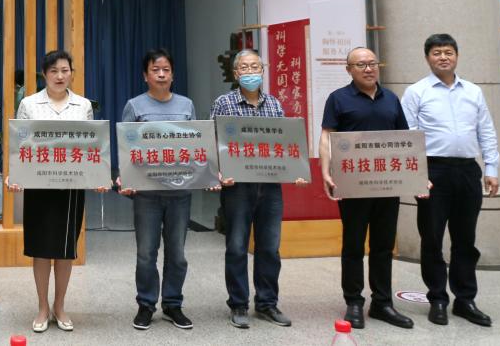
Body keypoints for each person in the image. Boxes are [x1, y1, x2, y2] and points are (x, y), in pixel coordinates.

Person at [402, 33, 499, 328]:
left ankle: (465, 299)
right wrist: (418, 175)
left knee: (465, 239)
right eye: (436, 53)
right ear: (427, 58)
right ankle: (438, 299)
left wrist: (491, 167)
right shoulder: (416, 92)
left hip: (468, 171)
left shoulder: (473, 91)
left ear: (456, 56)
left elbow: (486, 130)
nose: (443, 57)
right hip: (433, 172)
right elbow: (408, 135)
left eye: (448, 52)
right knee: (432, 238)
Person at [6, 50, 108, 333]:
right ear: (44, 75)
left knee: (64, 250)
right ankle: (42, 307)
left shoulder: (83, 106)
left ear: (72, 73)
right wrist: (15, 175)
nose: (60, 76)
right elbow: (20, 147)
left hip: (70, 187)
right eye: (53, 71)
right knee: (40, 249)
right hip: (38, 186)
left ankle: (60, 305)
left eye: (65, 70)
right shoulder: (28, 104)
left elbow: (90, 148)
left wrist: (98, 176)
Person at [210, 49, 307, 329]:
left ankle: (267, 303)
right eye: (244, 67)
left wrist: (296, 170)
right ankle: (238, 304)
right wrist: (217, 173)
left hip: (270, 187)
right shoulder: (223, 103)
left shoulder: (274, 104)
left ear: (263, 71)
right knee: (236, 246)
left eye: (255, 66)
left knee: (269, 247)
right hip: (237, 187)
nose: (250, 72)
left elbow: (285, 144)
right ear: (236, 73)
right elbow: (211, 141)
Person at [319, 46, 414, 330]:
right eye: (360, 64)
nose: (368, 68)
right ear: (349, 70)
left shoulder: (391, 99)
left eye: (372, 63)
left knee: (383, 245)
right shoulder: (338, 98)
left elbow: (405, 140)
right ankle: (354, 302)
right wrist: (325, 171)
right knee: (353, 244)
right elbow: (327, 136)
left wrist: (417, 176)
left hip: (387, 184)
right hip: (353, 184)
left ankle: (382, 303)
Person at [117, 48, 195, 331]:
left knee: (177, 253)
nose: (161, 74)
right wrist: (124, 178)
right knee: (146, 253)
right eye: (155, 70)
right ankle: (146, 304)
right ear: (145, 75)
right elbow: (126, 148)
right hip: (147, 195)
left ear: (173, 75)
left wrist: (208, 174)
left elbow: (196, 147)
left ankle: (173, 304)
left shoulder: (186, 105)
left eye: (166, 70)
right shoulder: (135, 106)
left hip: (180, 194)